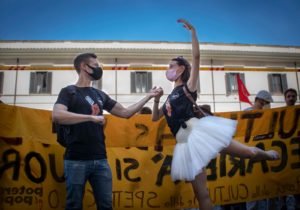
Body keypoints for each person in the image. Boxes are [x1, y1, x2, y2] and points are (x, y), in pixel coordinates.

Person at [151, 19, 280, 210]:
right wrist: (156, 100)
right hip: (185, 144)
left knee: (248, 152)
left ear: (181, 69)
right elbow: (155, 118)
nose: (168, 69)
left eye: (171, 66)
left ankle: (268, 155)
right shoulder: (170, 97)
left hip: (201, 132)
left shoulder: (189, 87)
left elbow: (196, 58)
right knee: (201, 194)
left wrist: (193, 32)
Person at [52, 53, 161, 210]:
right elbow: (57, 115)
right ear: (84, 66)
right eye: (95, 65)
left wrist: (148, 97)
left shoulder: (100, 95)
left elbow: (125, 113)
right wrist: (90, 118)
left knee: (106, 205)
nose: (99, 69)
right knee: (74, 205)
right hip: (75, 160)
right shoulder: (69, 91)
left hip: (101, 161)